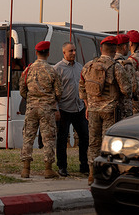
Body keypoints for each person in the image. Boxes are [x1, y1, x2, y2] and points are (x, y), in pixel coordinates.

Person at [79, 36, 131, 186]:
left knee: (93, 143)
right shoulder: (116, 67)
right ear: (115, 50)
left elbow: (81, 88)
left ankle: (91, 173)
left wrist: (88, 105)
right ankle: (107, 173)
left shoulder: (88, 65)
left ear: (101, 49)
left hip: (93, 110)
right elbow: (126, 90)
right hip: (110, 111)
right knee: (109, 143)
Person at [19, 41, 62, 179]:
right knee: (48, 138)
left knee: (28, 137)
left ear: (36, 53)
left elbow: (22, 90)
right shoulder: (52, 70)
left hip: (31, 108)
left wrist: (32, 99)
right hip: (47, 109)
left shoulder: (28, 70)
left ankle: (26, 169)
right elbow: (59, 92)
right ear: (48, 53)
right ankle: (48, 169)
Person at [53, 42, 89, 177]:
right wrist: (56, 109)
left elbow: (84, 87)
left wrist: (86, 105)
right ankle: (62, 166)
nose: (73, 53)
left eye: (74, 50)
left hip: (79, 108)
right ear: (64, 53)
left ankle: (84, 165)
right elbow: (54, 91)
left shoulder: (80, 67)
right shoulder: (58, 69)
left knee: (85, 137)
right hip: (63, 109)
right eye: (70, 51)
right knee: (62, 139)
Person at [114, 34, 139, 121]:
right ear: (124, 47)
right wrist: (137, 77)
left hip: (110, 108)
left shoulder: (107, 63)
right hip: (124, 109)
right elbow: (133, 88)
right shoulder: (126, 64)